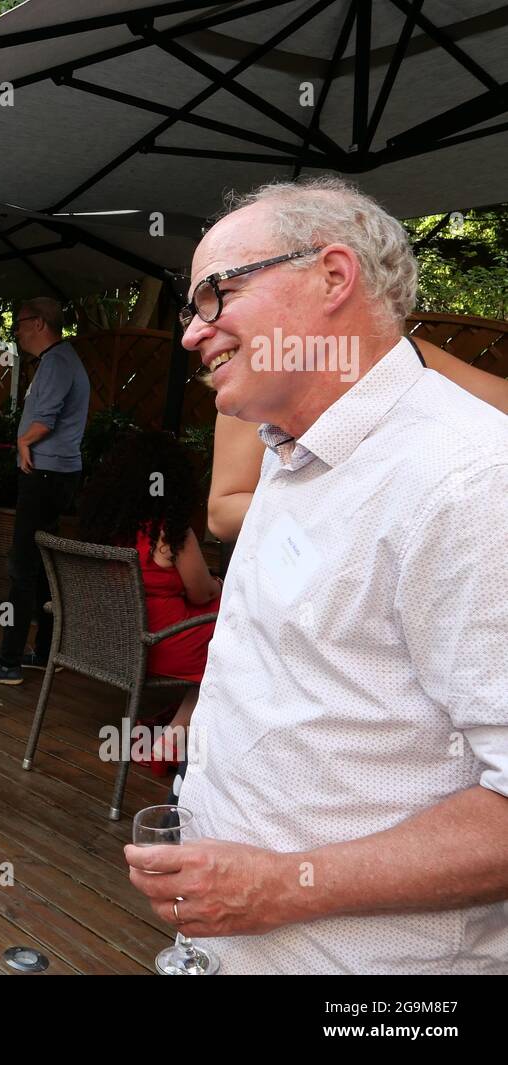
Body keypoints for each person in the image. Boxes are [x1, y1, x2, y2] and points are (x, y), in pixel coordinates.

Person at [125, 177, 508, 974]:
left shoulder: (469, 481)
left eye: (214, 295)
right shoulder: (289, 451)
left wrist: (283, 888)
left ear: (334, 277)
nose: (193, 334)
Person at [207, 341, 508, 542]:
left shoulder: (406, 355)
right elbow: (222, 513)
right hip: (303, 577)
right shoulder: (260, 381)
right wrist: (346, 510)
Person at [75, 429, 221, 769]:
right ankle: (172, 739)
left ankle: (168, 726)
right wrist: (218, 583)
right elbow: (202, 594)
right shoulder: (170, 533)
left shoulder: (103, 531)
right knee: (234, 643)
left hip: (110, 643)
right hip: (157, 643)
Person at [0, 297, 90, 684]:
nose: (15, 331)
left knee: (21, 566)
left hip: (44, 474)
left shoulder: (56, 362)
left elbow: (45, 420)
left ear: (38, 323)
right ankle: (45, 651)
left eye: (19, 323)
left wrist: (23, 442)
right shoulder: (62, 360)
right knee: (41, 566)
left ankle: (9, 661)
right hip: (56, 474)